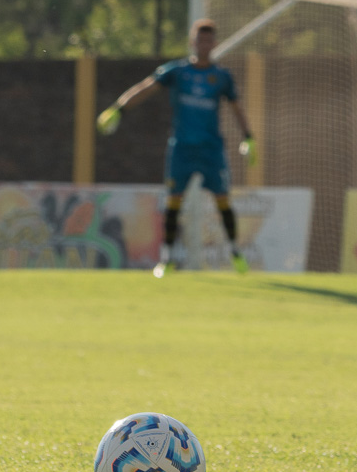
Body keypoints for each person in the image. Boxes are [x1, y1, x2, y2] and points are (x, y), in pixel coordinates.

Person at [97, 18, 254, 277]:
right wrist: (119, 108)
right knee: (174, 201)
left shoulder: (222, 77)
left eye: (208, 40)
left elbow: (237, 108)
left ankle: (235, 253)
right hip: (181, 148)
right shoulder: (177, 72)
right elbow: (145, 88)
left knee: (223, 200)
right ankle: (167, 259)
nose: (203, 44)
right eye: (199, 39)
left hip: (212, 150)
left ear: (214, 44)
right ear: (192, 42)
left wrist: (248, 136)